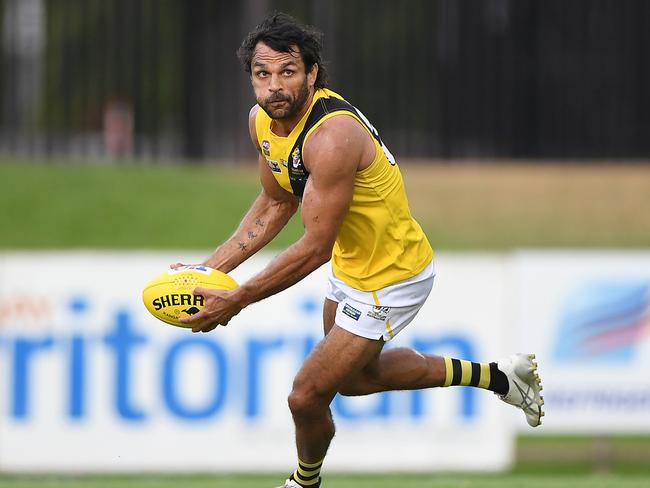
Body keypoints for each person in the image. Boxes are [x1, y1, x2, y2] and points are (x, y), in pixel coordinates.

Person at [175, 13, 544, 488]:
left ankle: (304, 482)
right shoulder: (262, 122)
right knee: (353, 381)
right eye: (262, 74)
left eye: (288, 71)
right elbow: (274, 201)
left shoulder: (333, 137)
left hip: (393, 272)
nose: (274, 86)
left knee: (305, 396)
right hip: (354, 262)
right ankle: (501, 378)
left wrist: (236, 298)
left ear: (312, 73)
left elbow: (314, 248)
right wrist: (206, 270)